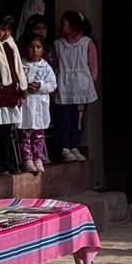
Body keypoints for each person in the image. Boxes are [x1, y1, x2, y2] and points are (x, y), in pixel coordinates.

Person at [52, 11, 97, 163]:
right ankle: (64, 146)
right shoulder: (58, 44)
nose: (60, 27)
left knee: (77, 118)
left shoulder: (86, 43)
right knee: (63, 117)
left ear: (73, 25)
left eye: (63, 23)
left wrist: (88, 84)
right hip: (64, 85)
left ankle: (74, 145)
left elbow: (93, 67)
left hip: (80, 87)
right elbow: (56, 65)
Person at [0, 14, 25, 176]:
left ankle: (8, 162)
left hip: (10, 94)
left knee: (6, 132)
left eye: (9, 30)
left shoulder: (10, 44)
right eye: (3, 29)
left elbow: (17, 69)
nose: (7, 33)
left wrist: (21, 91)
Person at [18, 34, 57, 173]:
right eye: (31, 47)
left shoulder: (45, 67)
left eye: (38, 47)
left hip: (40, 105)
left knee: (38, 133)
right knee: (25, 133)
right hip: (26, 105)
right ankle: (27, 158)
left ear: (43, 50)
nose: (35, 50)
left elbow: (52, 84)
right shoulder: (21, 65)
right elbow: (16, 82)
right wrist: (24, 87)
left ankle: (38, 158)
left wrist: (40, 86)